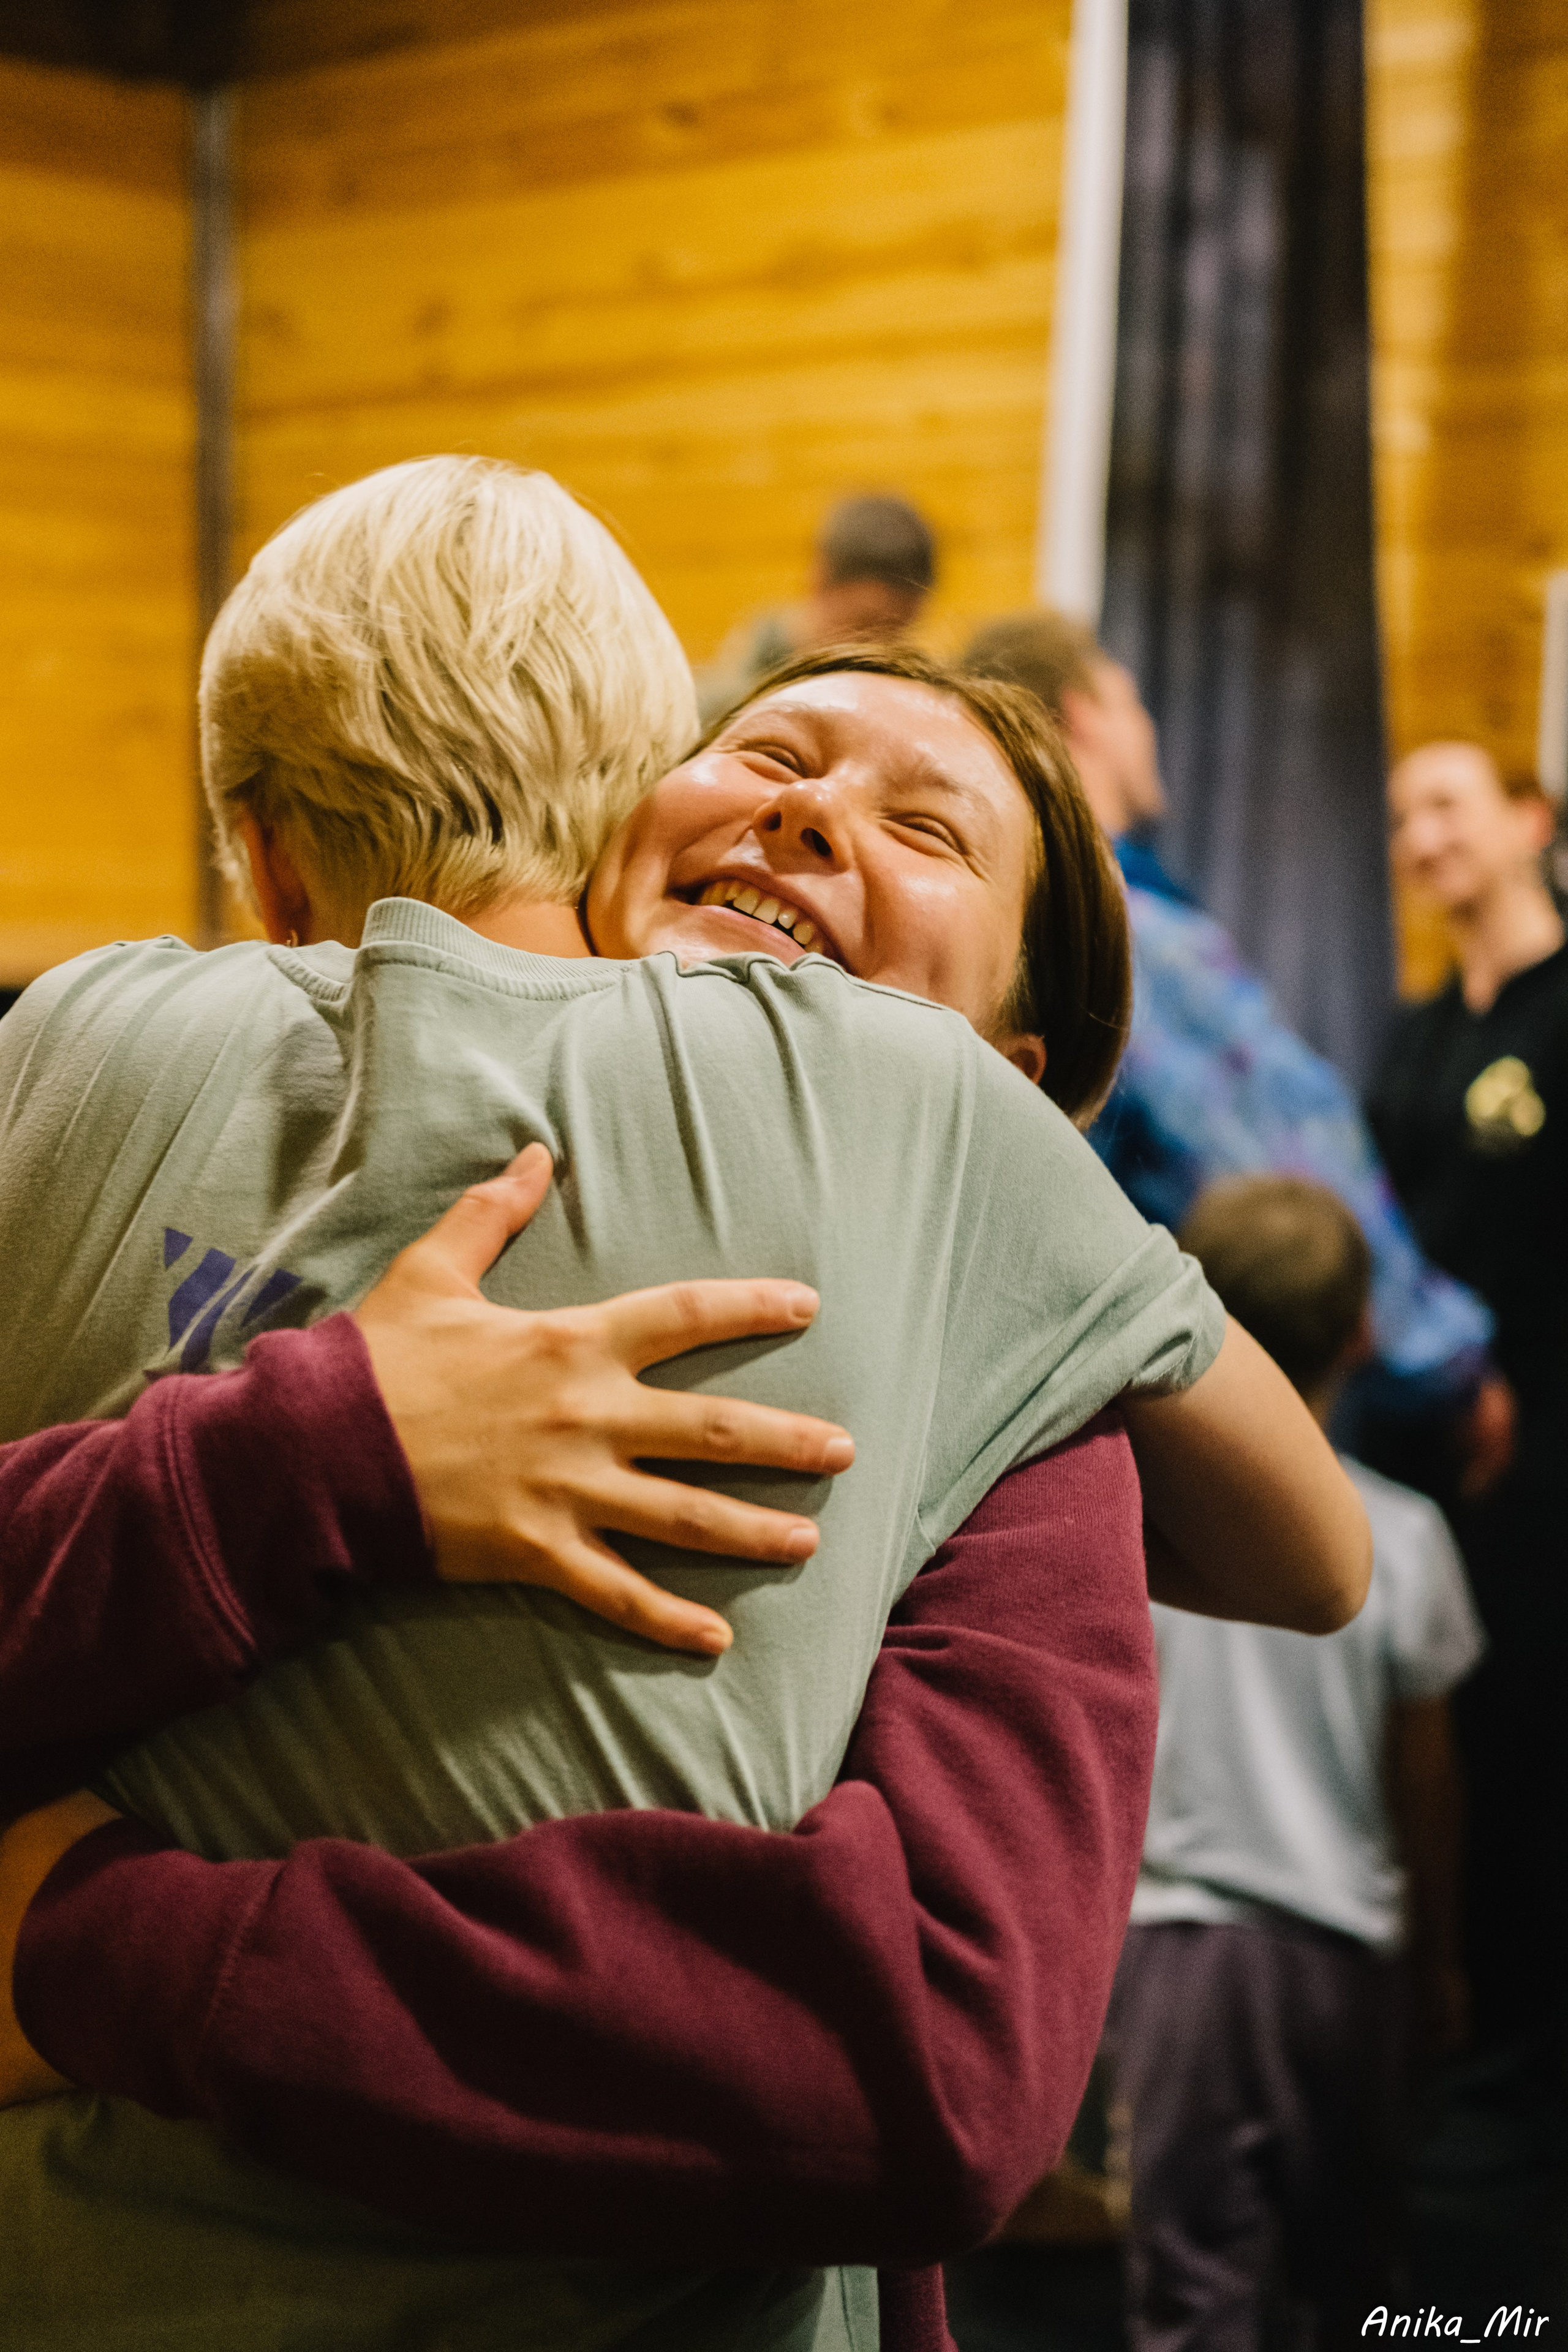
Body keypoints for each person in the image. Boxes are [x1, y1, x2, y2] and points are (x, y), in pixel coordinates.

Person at [0, 461, 1365, 2350]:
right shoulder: (249, 1086)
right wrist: (334, 1440)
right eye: (775, 750)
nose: (813, 808)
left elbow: (920, 2058)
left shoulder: (1011, 1382)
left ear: (1020, 1085)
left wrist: (88, 1936)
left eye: (926, 830)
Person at [960, 612, 1509, 1482]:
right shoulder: (1129, 935)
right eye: (1131, 704)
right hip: (1212, 1430)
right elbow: (1291, 1177)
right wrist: (1448, 1369)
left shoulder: (1007, 920)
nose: (1148, 732)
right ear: (1086, 716)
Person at [1109, 1174, 1484, 2351]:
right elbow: (1427, 1786)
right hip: (1349, 1959)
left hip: (1181, 1957)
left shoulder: (1141, 1533)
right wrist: (1438, 1961)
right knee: (1363, 2285)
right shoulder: (1408, 1539)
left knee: (1193, 2289)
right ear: (1364, 1334)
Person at [1369, 741, 1567, 2052]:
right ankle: (1463, 2015)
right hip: (1426, 1466)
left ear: (1523, 818)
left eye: (1443, 804)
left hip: (1548, 1458)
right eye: (1399, 818)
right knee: (1450, 1737)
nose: (1418, 835)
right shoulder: (1415, 1034)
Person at [696, 493, 936, 723]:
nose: (878, 649)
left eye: (898, 632)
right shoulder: (710, 713)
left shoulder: (911, 699)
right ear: (819, 583)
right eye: (865, 625)